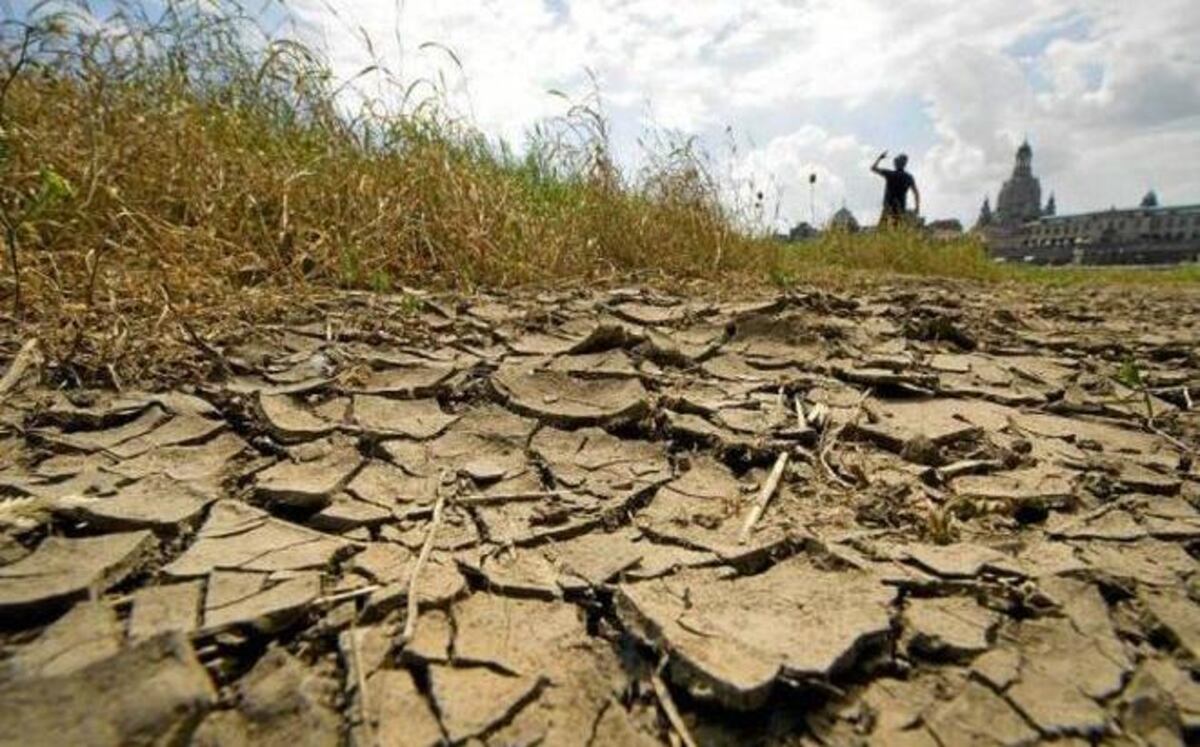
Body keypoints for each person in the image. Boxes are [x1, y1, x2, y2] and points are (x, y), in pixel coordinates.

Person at [871, 151, 920, 227]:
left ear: (896, 163)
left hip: (888, 207)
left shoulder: (890, 174)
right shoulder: (909, 177)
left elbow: (873, 168)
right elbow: (916, 193)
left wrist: (880, 158)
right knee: (897, 229)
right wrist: (917, 207)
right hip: (900, 208)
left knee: (882, 228)